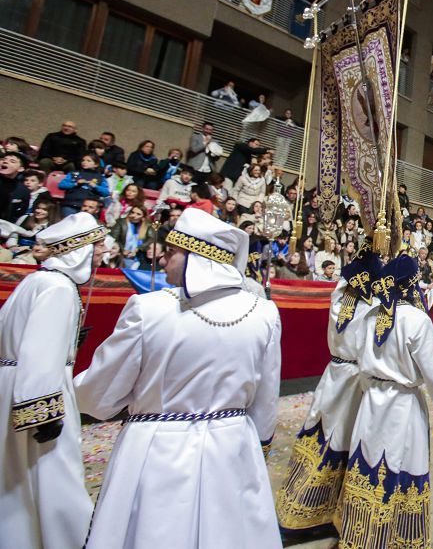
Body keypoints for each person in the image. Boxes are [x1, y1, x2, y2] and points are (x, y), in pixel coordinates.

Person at [74, 209, 282, 548]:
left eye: (171, 252)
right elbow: (266, 398)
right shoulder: (264, 312)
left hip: (157, 447)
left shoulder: (147, 309)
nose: (163, 258)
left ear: (196, 257)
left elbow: (100, 397)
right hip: (232, 445)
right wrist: (258, 442)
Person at [335, 254, 433, 547]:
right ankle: (399, 538)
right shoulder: (418, 321)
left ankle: (362, 536)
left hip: (371, 401)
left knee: (368, 466)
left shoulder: (369, 315)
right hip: (404, 405)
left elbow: (356, 357)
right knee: (403, 467)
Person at [0, 213, 107, 549]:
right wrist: (42, 413)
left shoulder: (37, 281)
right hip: (37, 392)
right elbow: (39, 354)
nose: (103, 252)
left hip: (14, 387)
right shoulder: (59, 288)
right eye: (97, 246)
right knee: (54, 473)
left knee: (18, 477)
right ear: (78, 251)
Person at [276, 249, 381, 537]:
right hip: (355, 381)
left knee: (322, 435)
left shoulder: (341, 295)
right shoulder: (369, 306)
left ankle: (306, 507)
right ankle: (329, 510)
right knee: (343, 442)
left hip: (334, 375)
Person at [58, 153, 110, 217]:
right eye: (83, 160)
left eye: (88, 161)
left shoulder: (100, 177)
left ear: (96, 164)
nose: (84, 162)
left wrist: (95, 186)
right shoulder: (73, 173)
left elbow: (106, 192)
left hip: (88, 208)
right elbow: (61, 185)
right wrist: (75, 184)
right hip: (71, 204)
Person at [0, 151, 30, 221]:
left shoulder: (23, 191)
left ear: (21, 169)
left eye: (12, 161)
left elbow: (20, 213)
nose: (5, 162)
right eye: (4, 159)